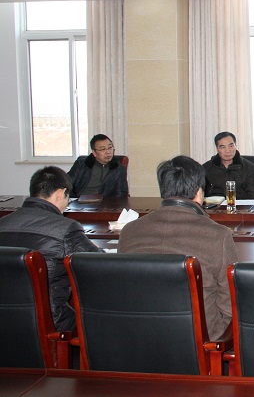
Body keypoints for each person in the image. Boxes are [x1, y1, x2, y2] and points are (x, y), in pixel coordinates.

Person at [119, 155, 237, 339]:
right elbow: (230, 305)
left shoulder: (129, 231)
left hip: (137, 337)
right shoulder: (218, 235)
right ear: (199, 192)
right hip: (199, 340)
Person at [0, 166, 100, 331]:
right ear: (60, 193)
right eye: (68, 198)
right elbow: (99, 266)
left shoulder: (3, 223)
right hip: (51, 322)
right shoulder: (66, 228)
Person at [202, 131, 254, 199]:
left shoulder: (249, 167)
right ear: (217, 149)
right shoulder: (206, 168)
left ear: (235, 146)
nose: (228, 150)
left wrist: (232, 199)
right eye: (223, 147)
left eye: (231, 146)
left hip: (240, 205)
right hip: (214, 205)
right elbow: (200, 195)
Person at [68, 134, 129, 198]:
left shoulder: (118, 169)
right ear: (94, 152)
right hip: (79, 200)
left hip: (104, 202)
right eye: (102, 149)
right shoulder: (82, 164)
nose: (108, 152)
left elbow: (121, 193)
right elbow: (67, 183)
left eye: (110, 148)